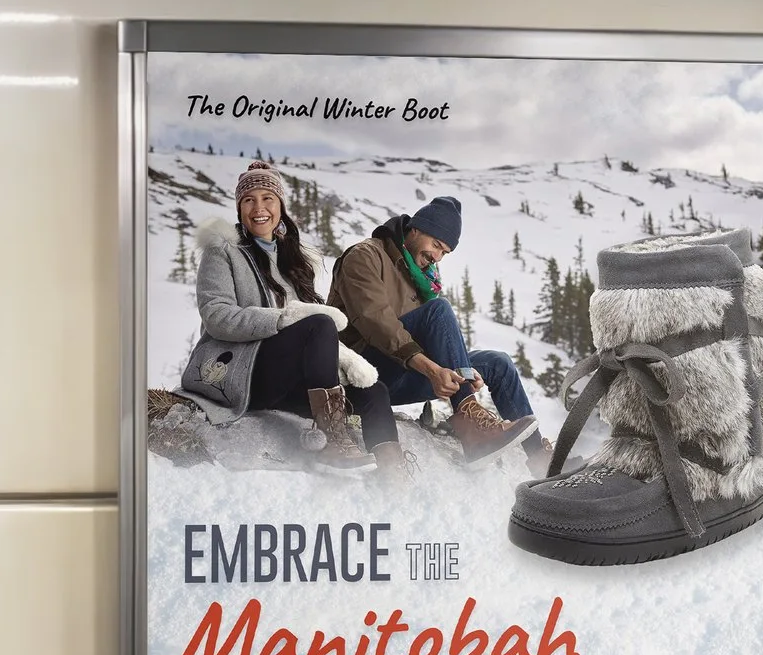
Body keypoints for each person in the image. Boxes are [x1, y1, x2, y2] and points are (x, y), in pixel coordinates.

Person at [184, 161, 402, 475]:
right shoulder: (223, 251)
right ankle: (331, 440)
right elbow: (218, 316)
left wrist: (345, 362)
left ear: (280, 205)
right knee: (318, 323)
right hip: (244, 373)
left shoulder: (294, 260)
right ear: (239, 209)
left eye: (267, 198)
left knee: (374, 391)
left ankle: (392, 475)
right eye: (249, 200)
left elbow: (315, 332)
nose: (259, 207)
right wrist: (285, 318)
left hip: (289, 378)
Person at [328, 195, 540, 463]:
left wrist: (461, 368)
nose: (436, 257)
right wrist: (433, 369)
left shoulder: (418, 275)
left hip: (400, 370)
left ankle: (541, 461)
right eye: (436, 245)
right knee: (438, 310)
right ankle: (471, 426)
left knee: (497, 363)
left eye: (445, 253)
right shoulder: (365, 256)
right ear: (414, 229)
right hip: (361, 375)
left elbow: (426, 337)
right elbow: (376, 322)